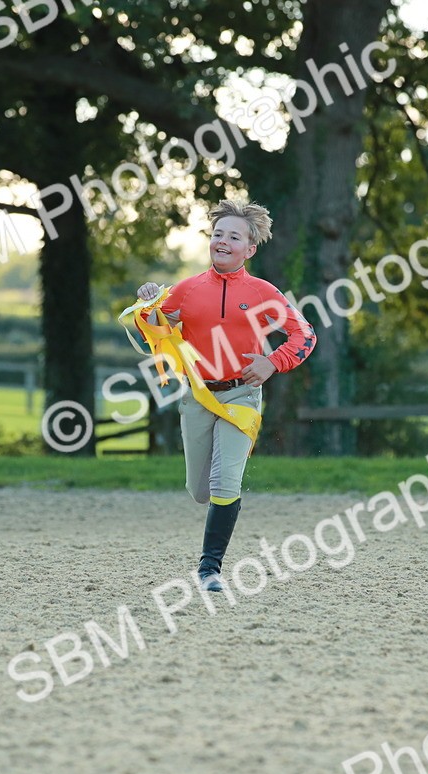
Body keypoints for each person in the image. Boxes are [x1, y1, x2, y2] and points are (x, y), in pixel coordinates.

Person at [134, 200, 316, 592]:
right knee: (200, 492)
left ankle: (209, 569)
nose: (222, 241)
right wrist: (147, 304)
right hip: (198, 397)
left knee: (224, 481)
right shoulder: (186, 290)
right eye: (218, 234)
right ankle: (215, 533)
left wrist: (273, 363)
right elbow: (153, 332)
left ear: (249, 249)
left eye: (234, 236)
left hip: (242, 397)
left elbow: (306, 335)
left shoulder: (263, 292)